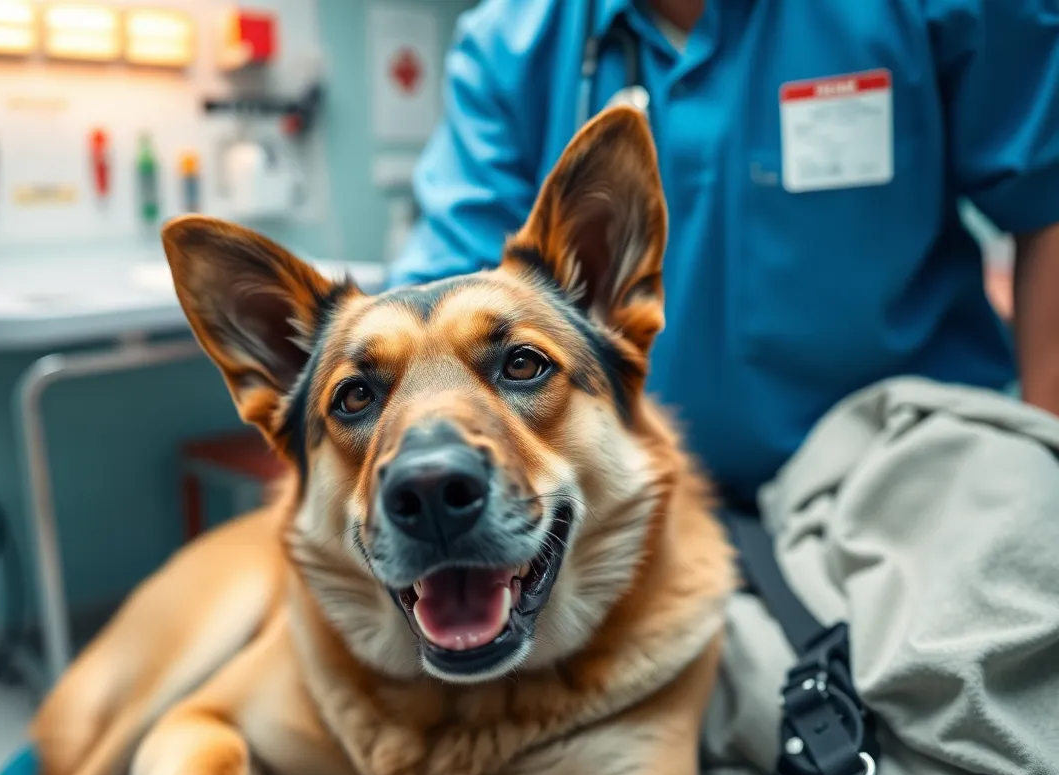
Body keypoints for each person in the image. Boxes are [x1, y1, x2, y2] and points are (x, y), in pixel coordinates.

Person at [388, 0, 1059, 506]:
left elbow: (1048, 201)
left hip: (911, 477)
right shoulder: (512, 45)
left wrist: (1044, 468)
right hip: (634, 506)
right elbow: (439, 310)